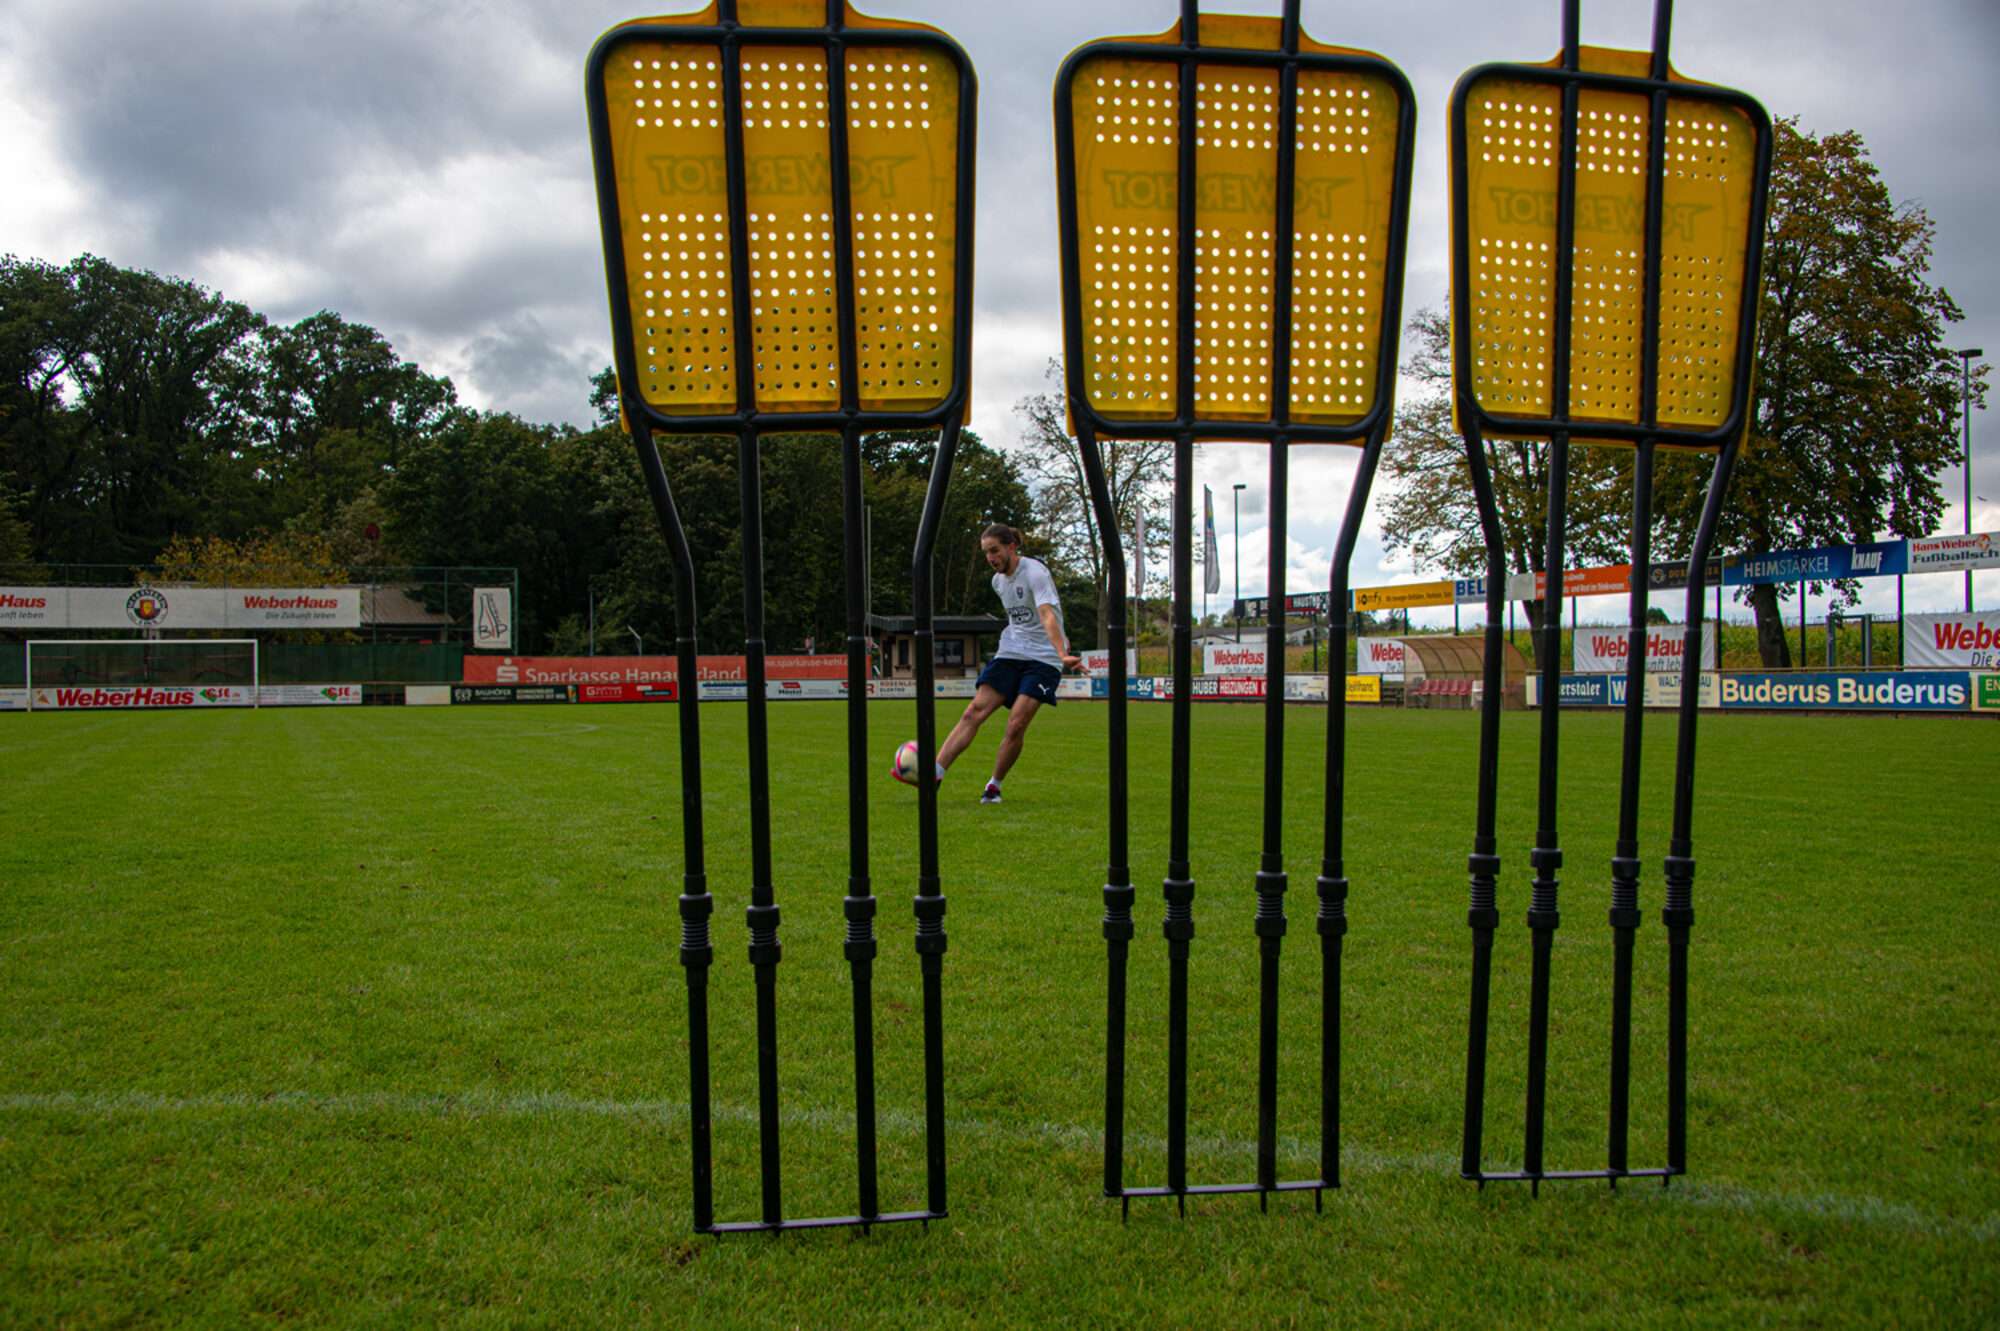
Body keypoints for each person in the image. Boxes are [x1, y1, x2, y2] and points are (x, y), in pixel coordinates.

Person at [894, 523, 1079, 803]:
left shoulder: (1036, 573)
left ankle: (994, 786)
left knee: (1016, 724)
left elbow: (1047, 615)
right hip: (1011, 652)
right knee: (973, 712)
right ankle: (933, 774)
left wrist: (1062, 652)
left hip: (1044, 658)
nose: (990, 558)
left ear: (1011, 547)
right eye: (986, 553)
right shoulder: (997, 582)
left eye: (994, 550)